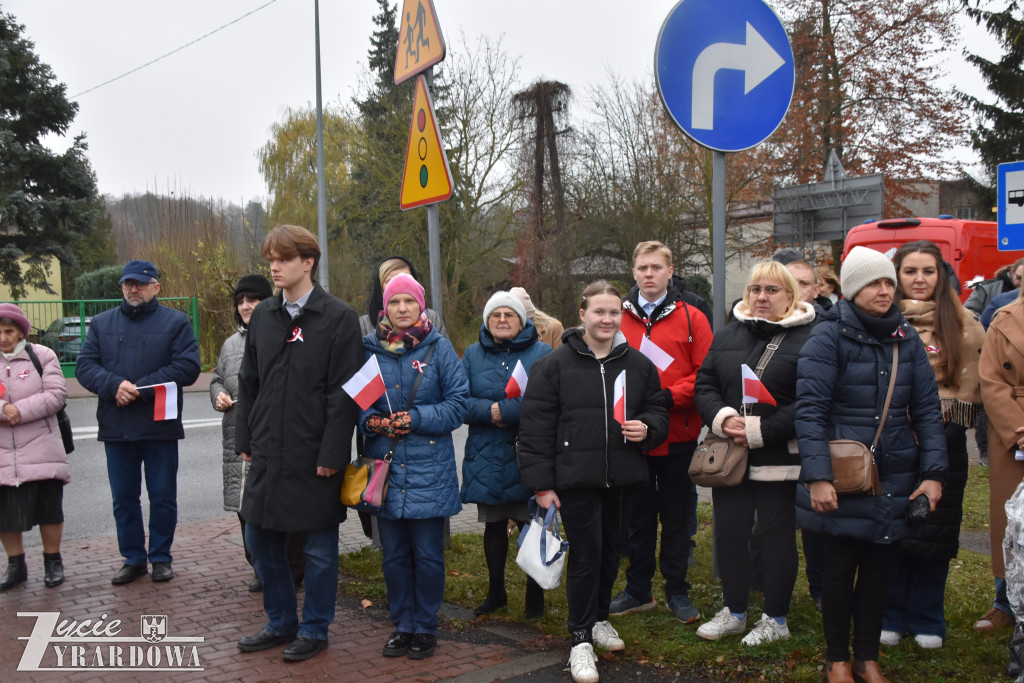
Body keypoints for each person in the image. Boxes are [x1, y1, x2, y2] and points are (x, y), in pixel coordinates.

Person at [795, 246, 946, 683]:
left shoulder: (906, 336)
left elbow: (928, 411)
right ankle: (838, 658)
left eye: (888, 283)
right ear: (853, 288)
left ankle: (866, 657)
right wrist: (819, 477)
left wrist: (934, 474)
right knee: (840, 573)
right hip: (843, 477)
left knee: (880, 573)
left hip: (895, 474)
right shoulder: (827, 336)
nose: (884, 290)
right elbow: (810, 412)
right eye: (874, 283)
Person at [518, 280, 669, 683]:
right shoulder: (553, 365)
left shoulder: (638, 365)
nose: (607, 319)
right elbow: (534, 431)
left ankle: (600, 618)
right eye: (599, 311)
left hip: (622, 479)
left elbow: (658, 409)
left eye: (614, 312)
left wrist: (649, 428)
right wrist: (542, 486)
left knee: (610, 553)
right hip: (574, 482)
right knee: (587, 556)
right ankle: (580, 638)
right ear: (582, 314)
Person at [234, 225, 363, 662]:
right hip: (268, 449)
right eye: (270, 258)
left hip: (314, 455)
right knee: (260, 536)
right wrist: (245, 437)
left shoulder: (337, 317)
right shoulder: (265, 316)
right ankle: (280, 621)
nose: (273, 266)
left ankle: (314, 628)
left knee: (318, 547)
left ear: (307, 262)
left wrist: (331, 453)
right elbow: (249, 381)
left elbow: (346, 393)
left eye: (283, 259)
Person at [693, 262, 816, 645]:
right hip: (731, 456)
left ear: (791, 295)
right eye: (755, 289)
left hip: (779, 454)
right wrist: (723, 418)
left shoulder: (811, 337)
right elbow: (705, 383)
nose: (761, 297)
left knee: (776, 537)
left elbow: (809, 398)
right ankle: (734, 611)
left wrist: (761, 430)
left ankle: (775, 619)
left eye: (772, 290)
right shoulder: (728, 333)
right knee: (729, 535)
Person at [880, 241, 984, 649]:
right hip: (888, 443)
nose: (919, 279)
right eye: (910, 271)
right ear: (896, 276)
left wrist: (933, 429)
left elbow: (968, 392)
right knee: (891, 532)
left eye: (928, 271)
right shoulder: (881, 318)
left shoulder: (964, 323)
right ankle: (890, 613)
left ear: (941, 276)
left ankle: (926, 617)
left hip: (942, 444)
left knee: (933, 532)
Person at [363, 273, 469, 661]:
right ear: (384, 308)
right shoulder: (368, 350)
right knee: (393, 556)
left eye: (409, 302)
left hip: (429, 473)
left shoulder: (439, 350)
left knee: (427, 555)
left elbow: (459, 404)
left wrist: (417, 418)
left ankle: (425, 625)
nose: (402, 309)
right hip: (385, 472)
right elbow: (355, 402)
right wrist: (370, 422)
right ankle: (402, 624)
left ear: (421, 307)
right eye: (395, 302)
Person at [76, 260, 201, 585]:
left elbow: (188, 367)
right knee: (124, 499)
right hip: (117, 427)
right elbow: (85, 366)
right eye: (128, 283)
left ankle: (160, 557)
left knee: (162, 496)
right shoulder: (102, 324)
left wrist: (139, 389)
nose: (134, 289)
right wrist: (113, 385)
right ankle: (133, 558)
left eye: (141, 284)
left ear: (155, 287)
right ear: (121, 287)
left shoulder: (176, 322)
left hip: (160, 426)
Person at [612, 241, 712, 624]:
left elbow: (705, 375)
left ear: (671, 271)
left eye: (656, 267)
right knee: (637, 518)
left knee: (675, 517)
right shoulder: (616, 316)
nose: (648, 274)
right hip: (631, 436)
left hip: (678, 434)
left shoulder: (693, 317)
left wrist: (666, 398)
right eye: (642, 268)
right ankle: (638, 590)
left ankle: (677, 590)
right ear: (633, 272)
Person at [210, 274, 305, 593]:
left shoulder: (286, 334)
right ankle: (259, 566)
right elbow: (217, 379)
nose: (246, 306)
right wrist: (218, 394)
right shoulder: (230, 344)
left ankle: (292, 569)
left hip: (274, 434)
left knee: (280, 505)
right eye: (240, 301)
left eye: (252, 299)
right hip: (237, 435)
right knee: (244, 504)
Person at [461, 291, 550, 618]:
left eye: (509, 315)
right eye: (495, 315)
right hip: (486, 453)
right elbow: (459, 401)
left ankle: (534, 595)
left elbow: (548, 400)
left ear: (521, 320)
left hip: (529, 452)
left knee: (532, 526)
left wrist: (507, 410)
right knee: (494, 524)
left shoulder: (542, 352)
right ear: (487, 320)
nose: (501, 320)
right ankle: (496, 590)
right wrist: (490, 411)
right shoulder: (471, 354)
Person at [0, 304, 70, 590]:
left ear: (21, 332)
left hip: (42, 448)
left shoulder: (42, 356)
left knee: (48, 510)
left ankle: (53, 562)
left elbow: (56, 395)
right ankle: (15, 566)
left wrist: (20, 410)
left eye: (9, 331)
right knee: (6, 514)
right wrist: (4, 409)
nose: (3, 337)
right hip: (4, 454)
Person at [977, 277, 1024, 637]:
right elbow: (991, 382)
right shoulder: (1004, 319)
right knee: (1011, 523)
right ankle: (1005, 603)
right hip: (1015, 437)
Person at [359, 256, 448, 337]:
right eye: (390, 281)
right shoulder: (365, 325)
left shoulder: (431, 319)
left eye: (406, 279)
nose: (399, 284)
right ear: (380, 287)